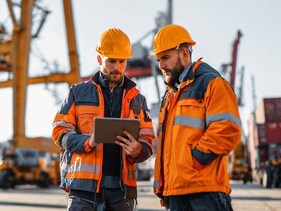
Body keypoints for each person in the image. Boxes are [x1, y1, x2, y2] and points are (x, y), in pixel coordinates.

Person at [52, 28, 155, 211]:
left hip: (122, 192)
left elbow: (148, 139)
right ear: (99, 59)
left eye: (122, 61)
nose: (117, 67)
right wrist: (88, 141)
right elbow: (60, 132)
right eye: (111, 61)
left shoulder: (138, 99)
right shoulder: (77, 92)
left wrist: (139, 150)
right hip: (83, 190)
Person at [150, 24, 242, 211]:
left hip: (205, 192)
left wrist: (195, 160)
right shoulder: (169, 96)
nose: (161, 66)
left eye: (166, 58)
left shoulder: (211, 83)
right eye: (159, 60)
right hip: (175, 192)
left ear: (185, 54)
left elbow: (228, 128)